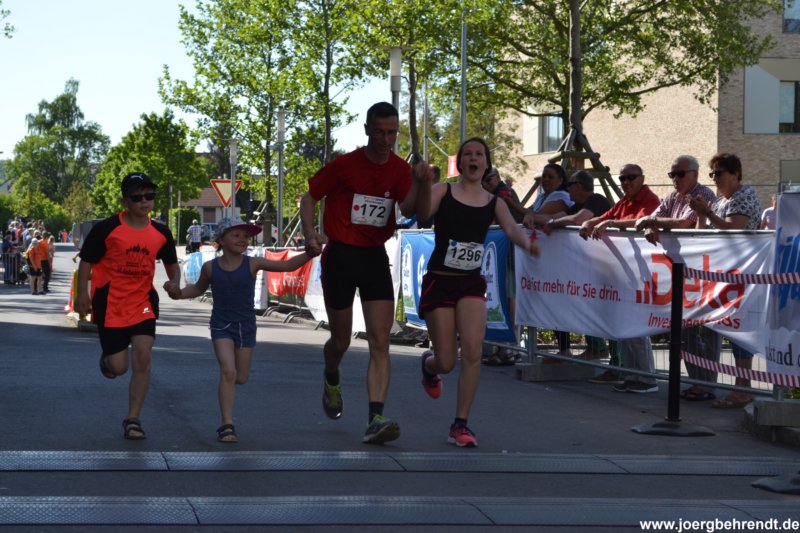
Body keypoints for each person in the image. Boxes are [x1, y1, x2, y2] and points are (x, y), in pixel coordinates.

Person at [299, 102, 432, 445]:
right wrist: (311, 232)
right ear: (367, 130)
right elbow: (309, 197)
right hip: (340, 256)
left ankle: (376, 417)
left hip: (374, 256)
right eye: (380, 132)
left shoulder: (400, 169)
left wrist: (421, 184)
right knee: (341, 340)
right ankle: (331, 374)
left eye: (392, 133)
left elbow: (410, 209)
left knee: (380, 340)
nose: (386, 140)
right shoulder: (345, 165)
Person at [418, 137, 540, 447]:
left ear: (486, 163)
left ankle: (460, 425)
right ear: (460, 162)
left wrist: (528, 244)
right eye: (468, 154)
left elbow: (511, 229)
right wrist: (423, 185)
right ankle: (429, 366)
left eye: (479, 154)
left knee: (472, 351)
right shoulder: (443, 191)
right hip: (440, 281)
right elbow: (423, 216)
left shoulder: (494, 202)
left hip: (471, 283)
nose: (473, 158)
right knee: (446, 361)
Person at [165, 218, 314, 442]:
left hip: (245, 326)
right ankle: (227, 425)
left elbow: (287, 266)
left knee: (241, 377)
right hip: (221, 325)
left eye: (245, 236)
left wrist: (310, 253)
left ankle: (227, 389)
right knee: (229, 372)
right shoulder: (210, 267)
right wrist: (178, 293)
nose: (242, 239)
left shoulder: (253, 263)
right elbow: (198, 289)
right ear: (221, 240)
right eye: (236, 235)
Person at [75, 172, 181, 440]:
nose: (145, 201)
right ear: (125, 201)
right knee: (119, 367)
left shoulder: (161, 232)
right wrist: (82, 294)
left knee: (143, 355)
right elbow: (86, 260)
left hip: (143, 302)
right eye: (137, 197)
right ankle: (108, 361)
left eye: (149, 195)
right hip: (110, 302)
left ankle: (133, 419)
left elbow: (172, 265)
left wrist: (174, 282)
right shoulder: (108, 228)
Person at [633, 155, 718, 401]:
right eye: (672, 175)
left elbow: (684, 222)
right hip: (681, 273)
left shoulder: (703, 195)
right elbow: (655, 217)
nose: (675, 179)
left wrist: (652, 222)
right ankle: (698, 382)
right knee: (684, 330)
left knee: (707, 329)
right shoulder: (673, 197)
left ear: (695, 174)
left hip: (705, 270)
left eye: (680, 174)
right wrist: (651, 225)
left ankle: (706, 385)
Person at [579, 164, 661, 392]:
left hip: (643, 273)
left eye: (630, 177)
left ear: (642, 178)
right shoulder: (625, 201)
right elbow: (605, 217)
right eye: (622, 178)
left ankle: (647, 378)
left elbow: (642, 221)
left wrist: (610, 223)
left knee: (638, 328)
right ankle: (633, 375)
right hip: (625, 274)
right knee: (627, 327)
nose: (626, 182)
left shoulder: (650, 199)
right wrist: (589, 223)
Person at [690, 153, 761, 409]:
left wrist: (707, 212)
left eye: (718, 173)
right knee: (729, 330)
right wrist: (701, 215)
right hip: (723, 275)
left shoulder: (745, 195)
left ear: (735, 173)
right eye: (711, 174)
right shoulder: (721, 201)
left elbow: (733, 228)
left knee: (739, 330)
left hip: (743, 274)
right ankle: (738, 388)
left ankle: (743, 389)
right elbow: (702, 235)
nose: (714, 178)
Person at [534, 170, 614, 361]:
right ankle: (595, 348)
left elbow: (579, 220)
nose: (566, 188)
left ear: (578, 185)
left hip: (605, 266)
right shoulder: (577, 205)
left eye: (569, 184)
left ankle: (612, 359)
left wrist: (553, 223)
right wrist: (531, 217)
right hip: (586, 266)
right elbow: (556, 217)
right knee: (583, 303)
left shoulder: (596, 199)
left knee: (603, 308)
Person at [522, 164, 574, 357]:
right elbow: (528, 213)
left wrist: (526, 212)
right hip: (545, 257)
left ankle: (567, 349)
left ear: (560, 180)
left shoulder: (560, 197)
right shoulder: (542, 196)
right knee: (549, 300)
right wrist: (527, 212)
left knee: (559, 301)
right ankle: (563, 349)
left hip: (559, 256)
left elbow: (535, 215)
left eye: (550, 176)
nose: (545, 180)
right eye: (544, 176)